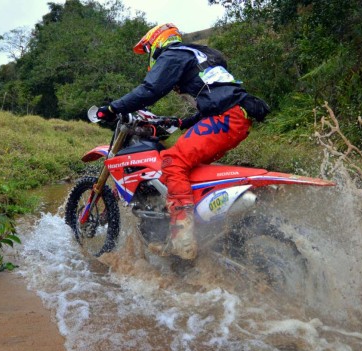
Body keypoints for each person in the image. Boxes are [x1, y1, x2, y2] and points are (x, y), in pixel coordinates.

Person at [96, 23, 269, 260]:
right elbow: (217, 96)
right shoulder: (201, 55)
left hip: (226, 118)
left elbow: (149, 90)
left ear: (156, 42)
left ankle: (182, 235)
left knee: (172, 162)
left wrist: (112, 107)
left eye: (148, 50)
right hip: (235, 115)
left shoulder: (173, 54)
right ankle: (205, 226)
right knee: (191, 169)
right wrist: (183, 122)